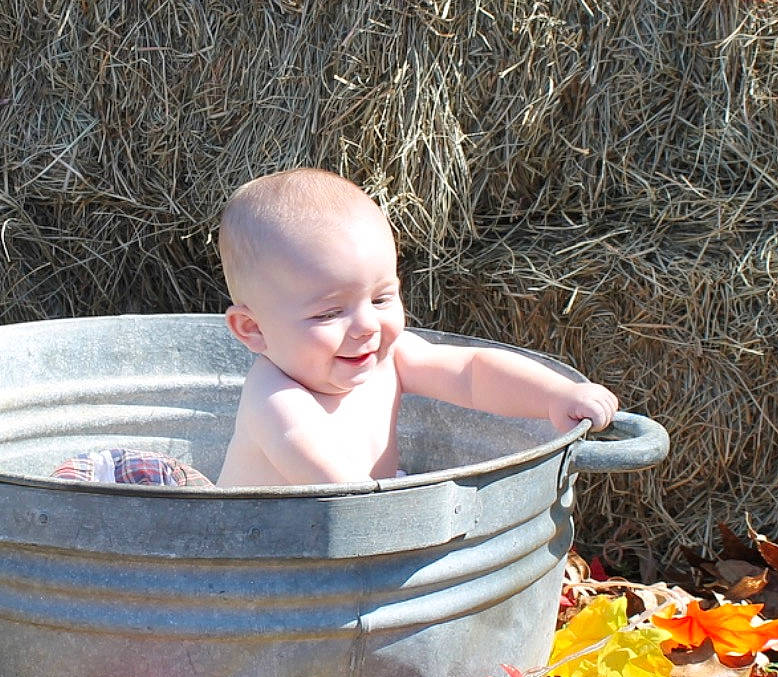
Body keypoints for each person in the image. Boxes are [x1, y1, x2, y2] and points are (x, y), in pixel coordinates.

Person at [214, 167, 618, 488]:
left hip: (367, 527)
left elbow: (472, 374)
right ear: (252, 328)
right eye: (328, 314)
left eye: (381, 298)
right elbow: (338, 490)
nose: (366, 326)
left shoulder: (390, 359)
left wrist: (556, 395)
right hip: (266, 562)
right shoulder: (275, 399)